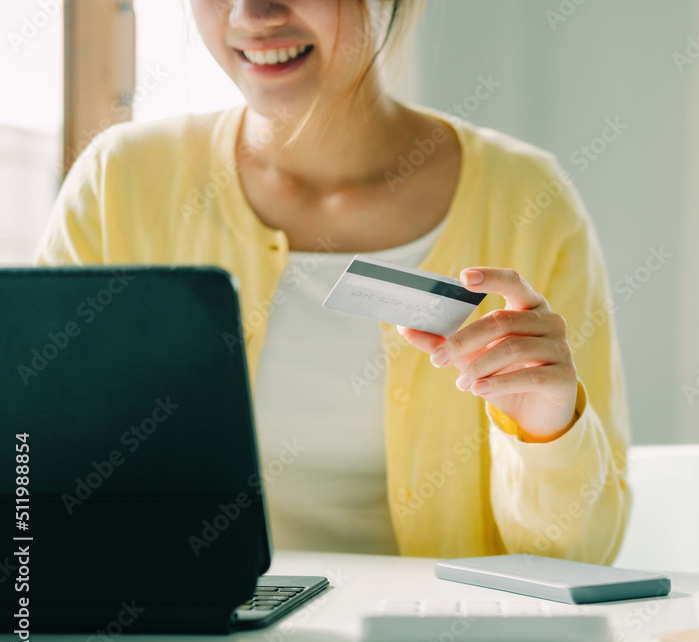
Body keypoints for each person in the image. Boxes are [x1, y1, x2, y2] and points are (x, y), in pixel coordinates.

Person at [35, 0, 630, 563]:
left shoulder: (529, 199)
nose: (251, 14)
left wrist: (546, 434)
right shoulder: (120, 183)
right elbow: (36, 484)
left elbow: (580, 558)